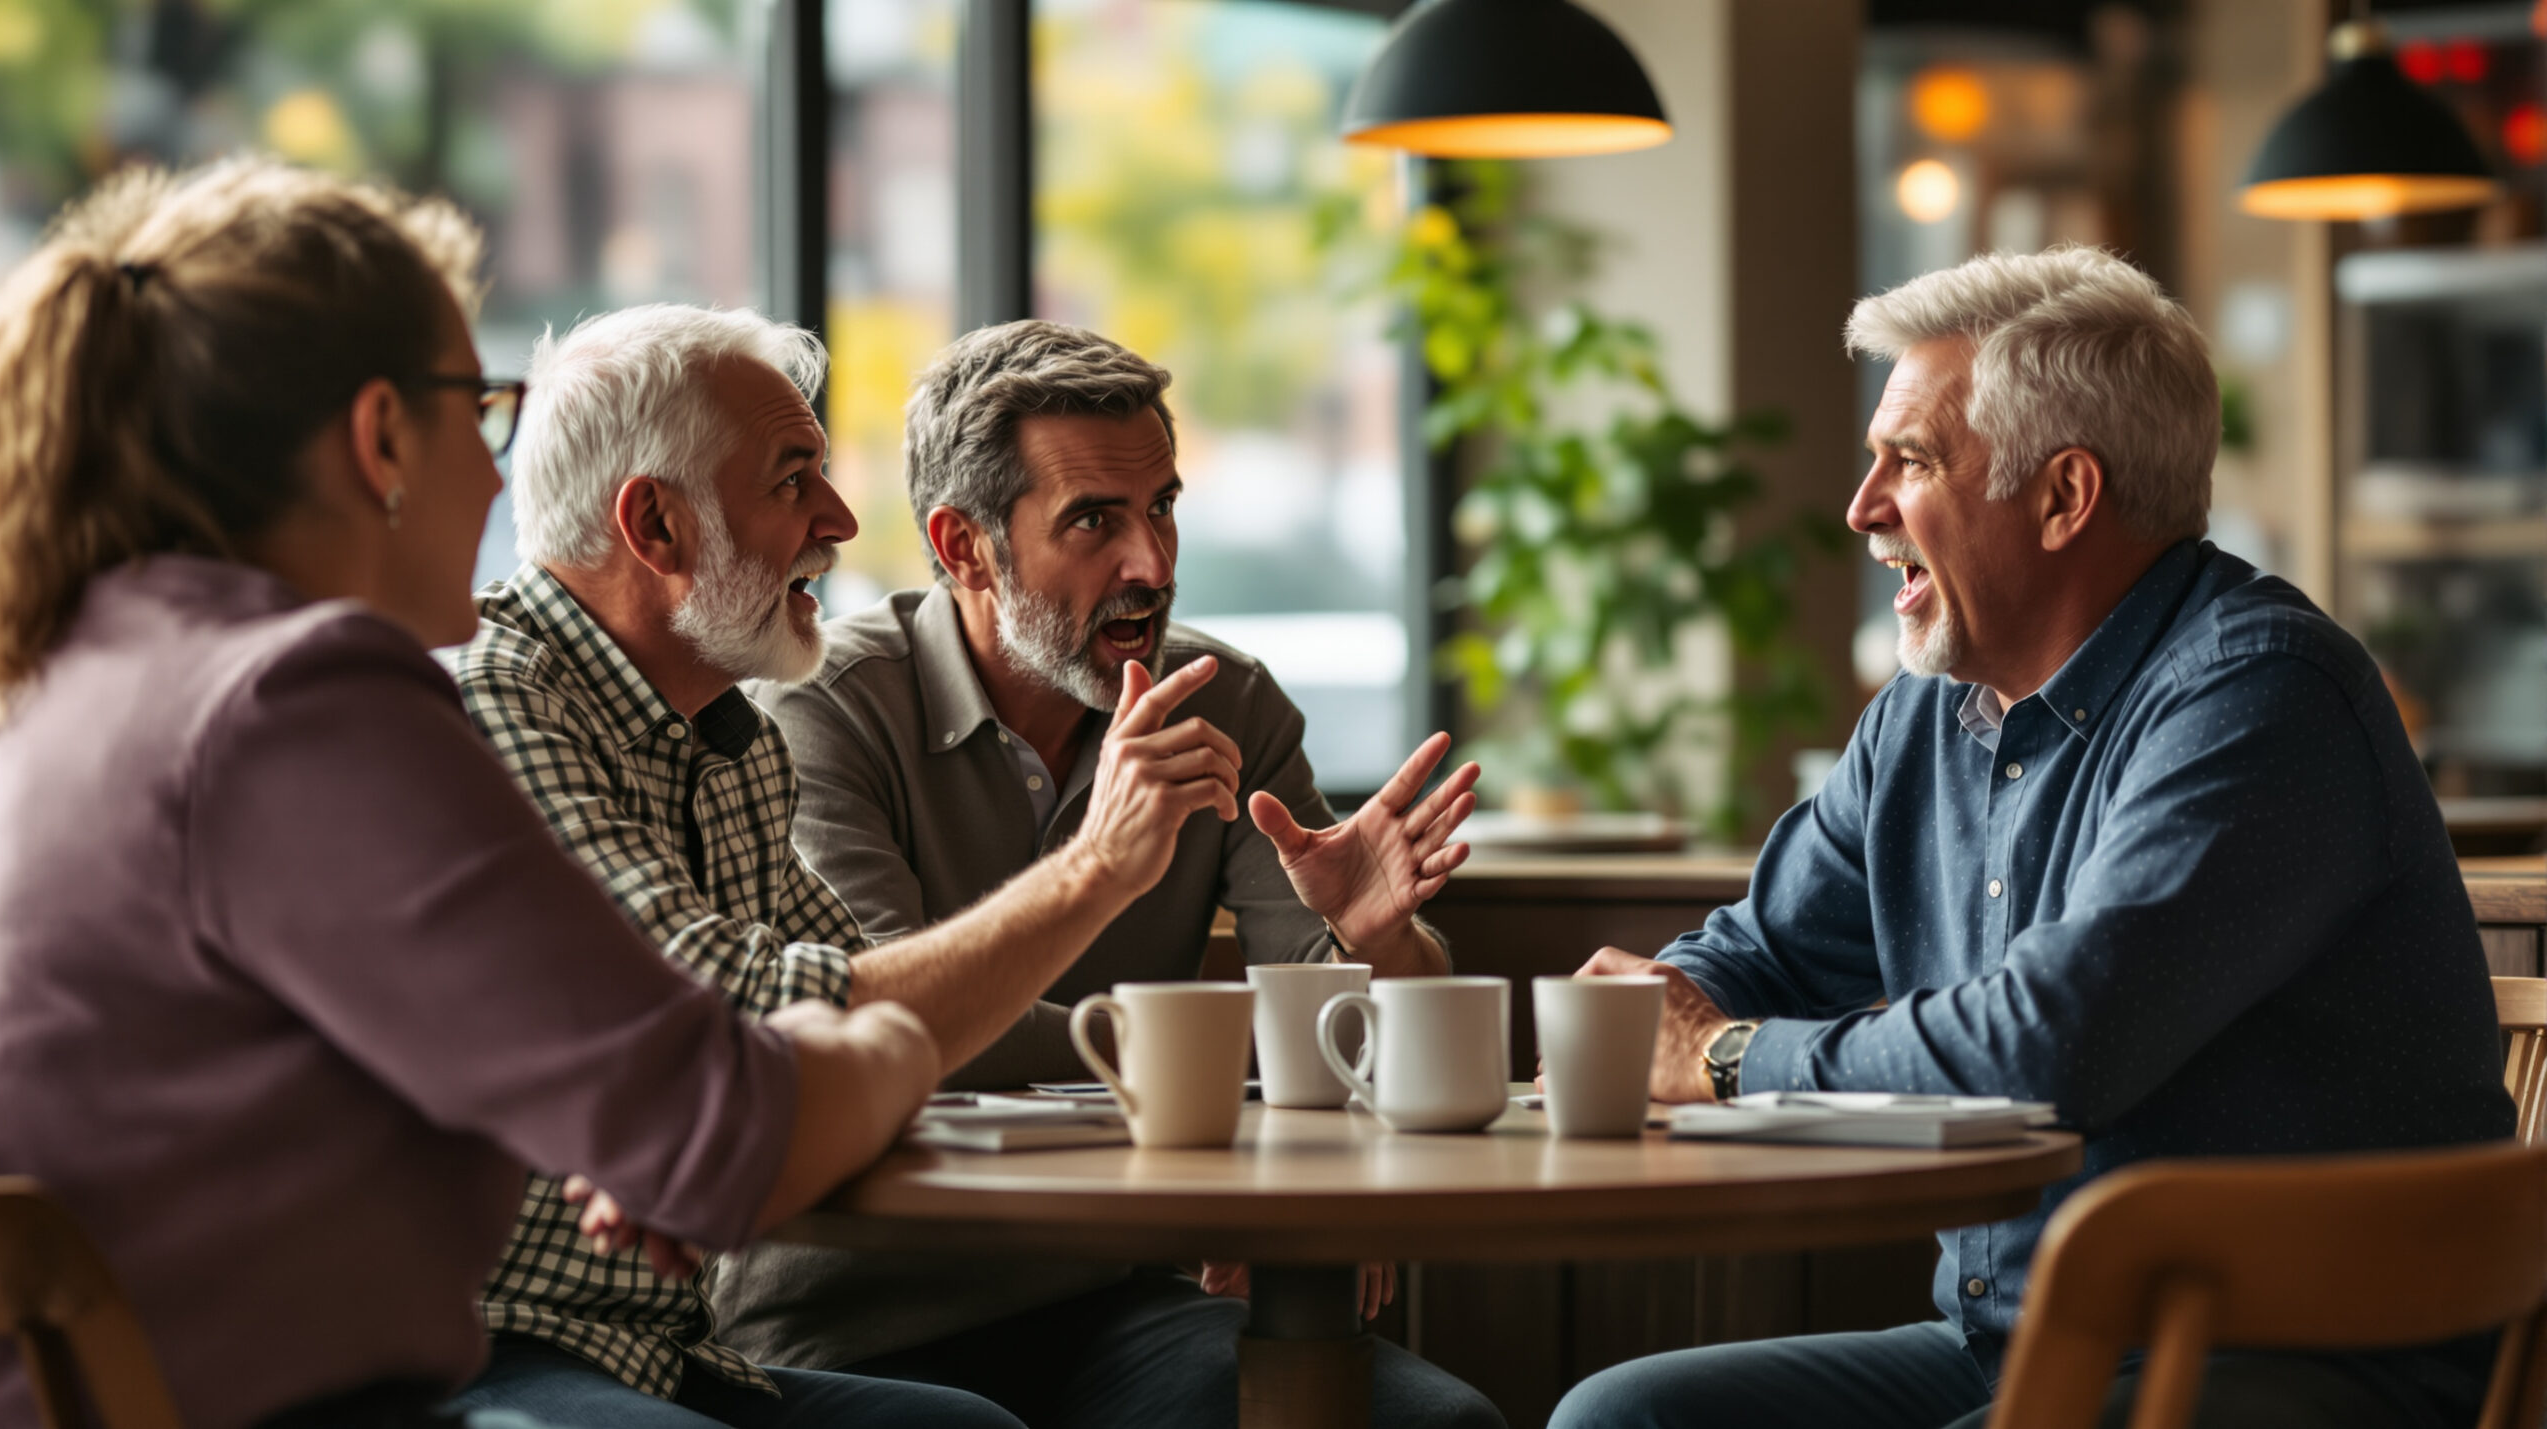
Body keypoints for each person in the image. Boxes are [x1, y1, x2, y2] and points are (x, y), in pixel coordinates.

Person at [0, 159, 999, 1429]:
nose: (500, 476)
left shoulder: (89, 668)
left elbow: (664, 1118)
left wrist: (678, 1115)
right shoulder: (293, 699)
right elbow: (723, 1139)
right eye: (485, 407)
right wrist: (883, 1046)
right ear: (383, 439)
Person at [1548, 247, 2515, 1429]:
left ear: (2064, 496)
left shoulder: (2262, 696)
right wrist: (1657, 1006)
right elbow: (1766, 952)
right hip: (2014, 1341)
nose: (1861, 508)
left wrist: (1724, 1057)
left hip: (2295, 1358)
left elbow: (2050, 1045)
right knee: (1621, 1417)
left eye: (1909, 460)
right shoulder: (1922, 712)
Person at [443, 304, 1270, 1427]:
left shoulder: (728, 744)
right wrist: (1099, 869)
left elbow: (858, 1016)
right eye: (793, 482)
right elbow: (731, 1016)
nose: (837, 519)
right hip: (480, 1343)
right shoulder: (490, 705)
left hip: (660, 1345)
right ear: (657, 524)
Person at [711, 319, 1503, 1429]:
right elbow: (891, 1022)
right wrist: (1222, 1124)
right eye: (1095, 521)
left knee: (1434, 1424)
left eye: (1163, 507)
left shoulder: (1226, 701)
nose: (1153, 565)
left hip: (1112, 1295)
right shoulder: (820, 710)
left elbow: (1356, 1047)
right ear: (963, 546)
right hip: (859, 1309)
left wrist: (1376, 943)